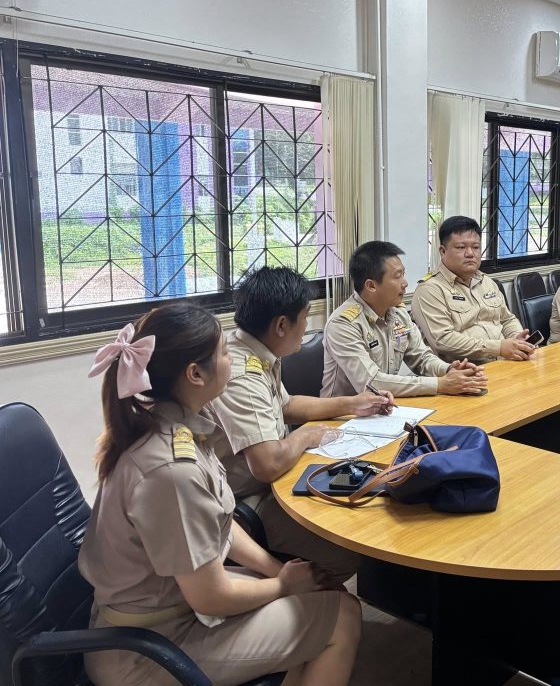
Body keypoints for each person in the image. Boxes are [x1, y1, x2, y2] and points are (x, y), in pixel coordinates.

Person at [79, 304, 361, 686]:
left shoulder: (176, 426)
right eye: (225, 352)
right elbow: (210, 597)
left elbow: (220, 524)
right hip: (147, 648)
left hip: (170, 609)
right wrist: (282, 585)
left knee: (324, 594)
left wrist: (276, 571)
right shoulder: (171, 469)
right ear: (195, 374)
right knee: (341, 617)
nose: (232, 359)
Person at [209, 267, 393, 585]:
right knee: (347, 550)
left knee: (362, 497)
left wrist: (353, 404)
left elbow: (286, 405)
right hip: (246, 500)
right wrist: (306, 435)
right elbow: (267, 465)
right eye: (305, 318)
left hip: (277, 480)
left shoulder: (257, 349)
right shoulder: (243, 375)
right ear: (282, 325)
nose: (307, 326)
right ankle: (297, 596)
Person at [322, 240, 488, 397]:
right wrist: (440, 384)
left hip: (385, 406)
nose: (405, 283)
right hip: (344, 414)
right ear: (371, 286)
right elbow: (372, 383)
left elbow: (421, 358)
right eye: (397, 276)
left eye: (404, 274)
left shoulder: (398, 314)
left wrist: (449, 370)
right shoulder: (343, 324)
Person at [412, 215, 535, 363]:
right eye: (461, 247)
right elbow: (443, 340)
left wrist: (518, 340)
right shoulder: (430, 290)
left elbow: (507, 319)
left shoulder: (486, 281)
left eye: (475, 247)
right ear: (443, 251)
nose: (470, 253)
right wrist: (498, 348)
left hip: (505, 362)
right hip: (464, 371)